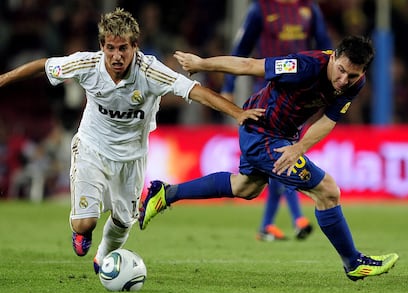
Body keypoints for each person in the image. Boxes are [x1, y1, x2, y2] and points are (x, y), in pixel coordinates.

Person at [0, 8, 265, 273]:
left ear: (135, 47)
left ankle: (102, 258)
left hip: (133, 156)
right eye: (111, 48)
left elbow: (196, 92)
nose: (117, 56)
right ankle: (84, 227)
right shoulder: (87, 64)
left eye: (123, 48)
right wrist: (3, 79)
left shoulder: (150, 71)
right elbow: (44, 66)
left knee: (124, 221)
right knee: (85, 224)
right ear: (102, 46)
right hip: (92, 147)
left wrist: (238, 113)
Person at [139, 35, 399, 281]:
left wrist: (299, 147)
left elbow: (328, 120)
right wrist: (202, 64)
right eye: (340, 70)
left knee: (246, 187)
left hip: (282, 138)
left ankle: (166, 194)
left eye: (351, 75)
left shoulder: (355, 83)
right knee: (328, 191)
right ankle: (354, 263)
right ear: (333, 58)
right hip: (260, 130)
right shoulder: (304, 65)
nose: (343, 80)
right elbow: (249, 65)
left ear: (362, 73)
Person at [222, 0, 333, 241]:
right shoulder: (260, 8)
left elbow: (326, 46)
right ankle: (296, 219)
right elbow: (243, 46)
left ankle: (268, 225)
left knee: (281, 159)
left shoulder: (309, 8)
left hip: (302, 96)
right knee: (281, 157)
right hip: (269, 93)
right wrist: (228, 85)